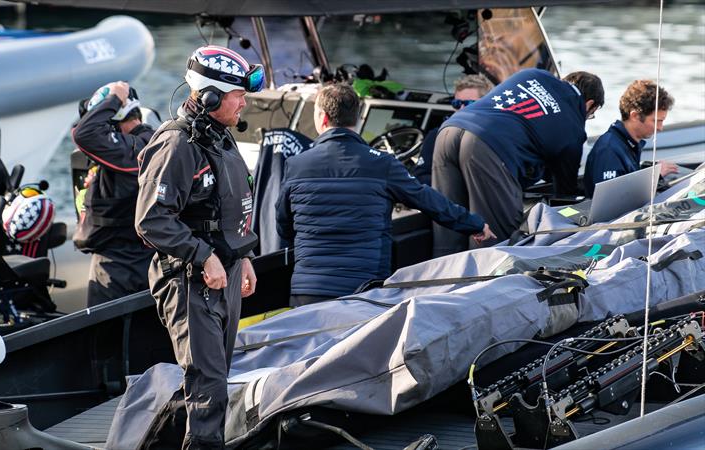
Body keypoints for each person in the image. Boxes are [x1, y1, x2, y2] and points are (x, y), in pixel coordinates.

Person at [134, 45, 261, 448]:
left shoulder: (221, 138)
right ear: (209, 97)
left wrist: (244, 257)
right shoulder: (176, 145)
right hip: (191, 280)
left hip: (227, 270)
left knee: (213, 379)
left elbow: (229, 206)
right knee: (208, 389)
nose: (244, 101)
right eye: (237, 94)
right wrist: (203, 256)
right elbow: (151, 220)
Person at [276, 83, 495, 306]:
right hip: (364, 290)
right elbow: (428, 200)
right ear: (359, 119)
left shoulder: (295, 165)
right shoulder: (382, 163)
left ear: (322, 118)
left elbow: (283, 224)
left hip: (308, 290)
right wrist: (474, 224)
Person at [432, 68, 604, 257]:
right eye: (591, 115)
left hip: (448, 131)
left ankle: (440, 279)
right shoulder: (574, 127)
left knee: (448, 224)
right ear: (590, 105)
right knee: (494, 235)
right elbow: (565, 191)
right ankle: (481, 283)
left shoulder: (534, 74)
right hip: (487, 147)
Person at [72, 81, 156, 306]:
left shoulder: (125, 150)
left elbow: (84, 133)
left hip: (116, 268)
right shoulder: (158, 141)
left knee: (106, 339)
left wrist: (113, 99)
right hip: (151, 263)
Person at [583, 80, 677, 197]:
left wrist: (649, 172)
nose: (660, 128)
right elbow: (611, 203)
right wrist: (654, 178)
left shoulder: (628, 143)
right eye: (657, 121)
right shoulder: (609, 151)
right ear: (635, 116)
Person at [413, 74, 494, 185]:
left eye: (469, 103)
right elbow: (421, 177)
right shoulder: (437, 136)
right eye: (457, 103)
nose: (461, 109)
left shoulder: (498, 137)